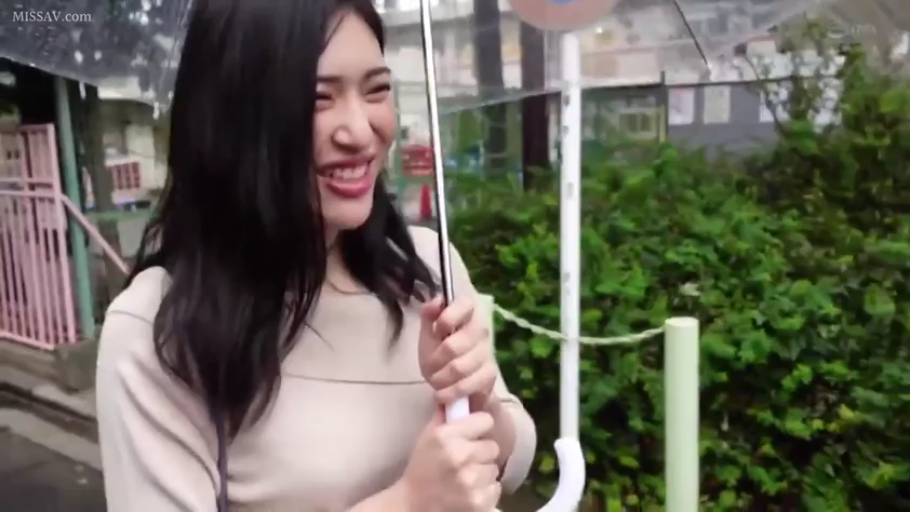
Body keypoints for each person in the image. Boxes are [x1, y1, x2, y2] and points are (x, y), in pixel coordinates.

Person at [94, 0, 537, 510]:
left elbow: (515, 459)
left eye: (376, 90)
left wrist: (474, 401)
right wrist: (410, 502)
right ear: (233, 116)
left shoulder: (425, 265)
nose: (359, 132)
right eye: (317, 99)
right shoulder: (157, 331)